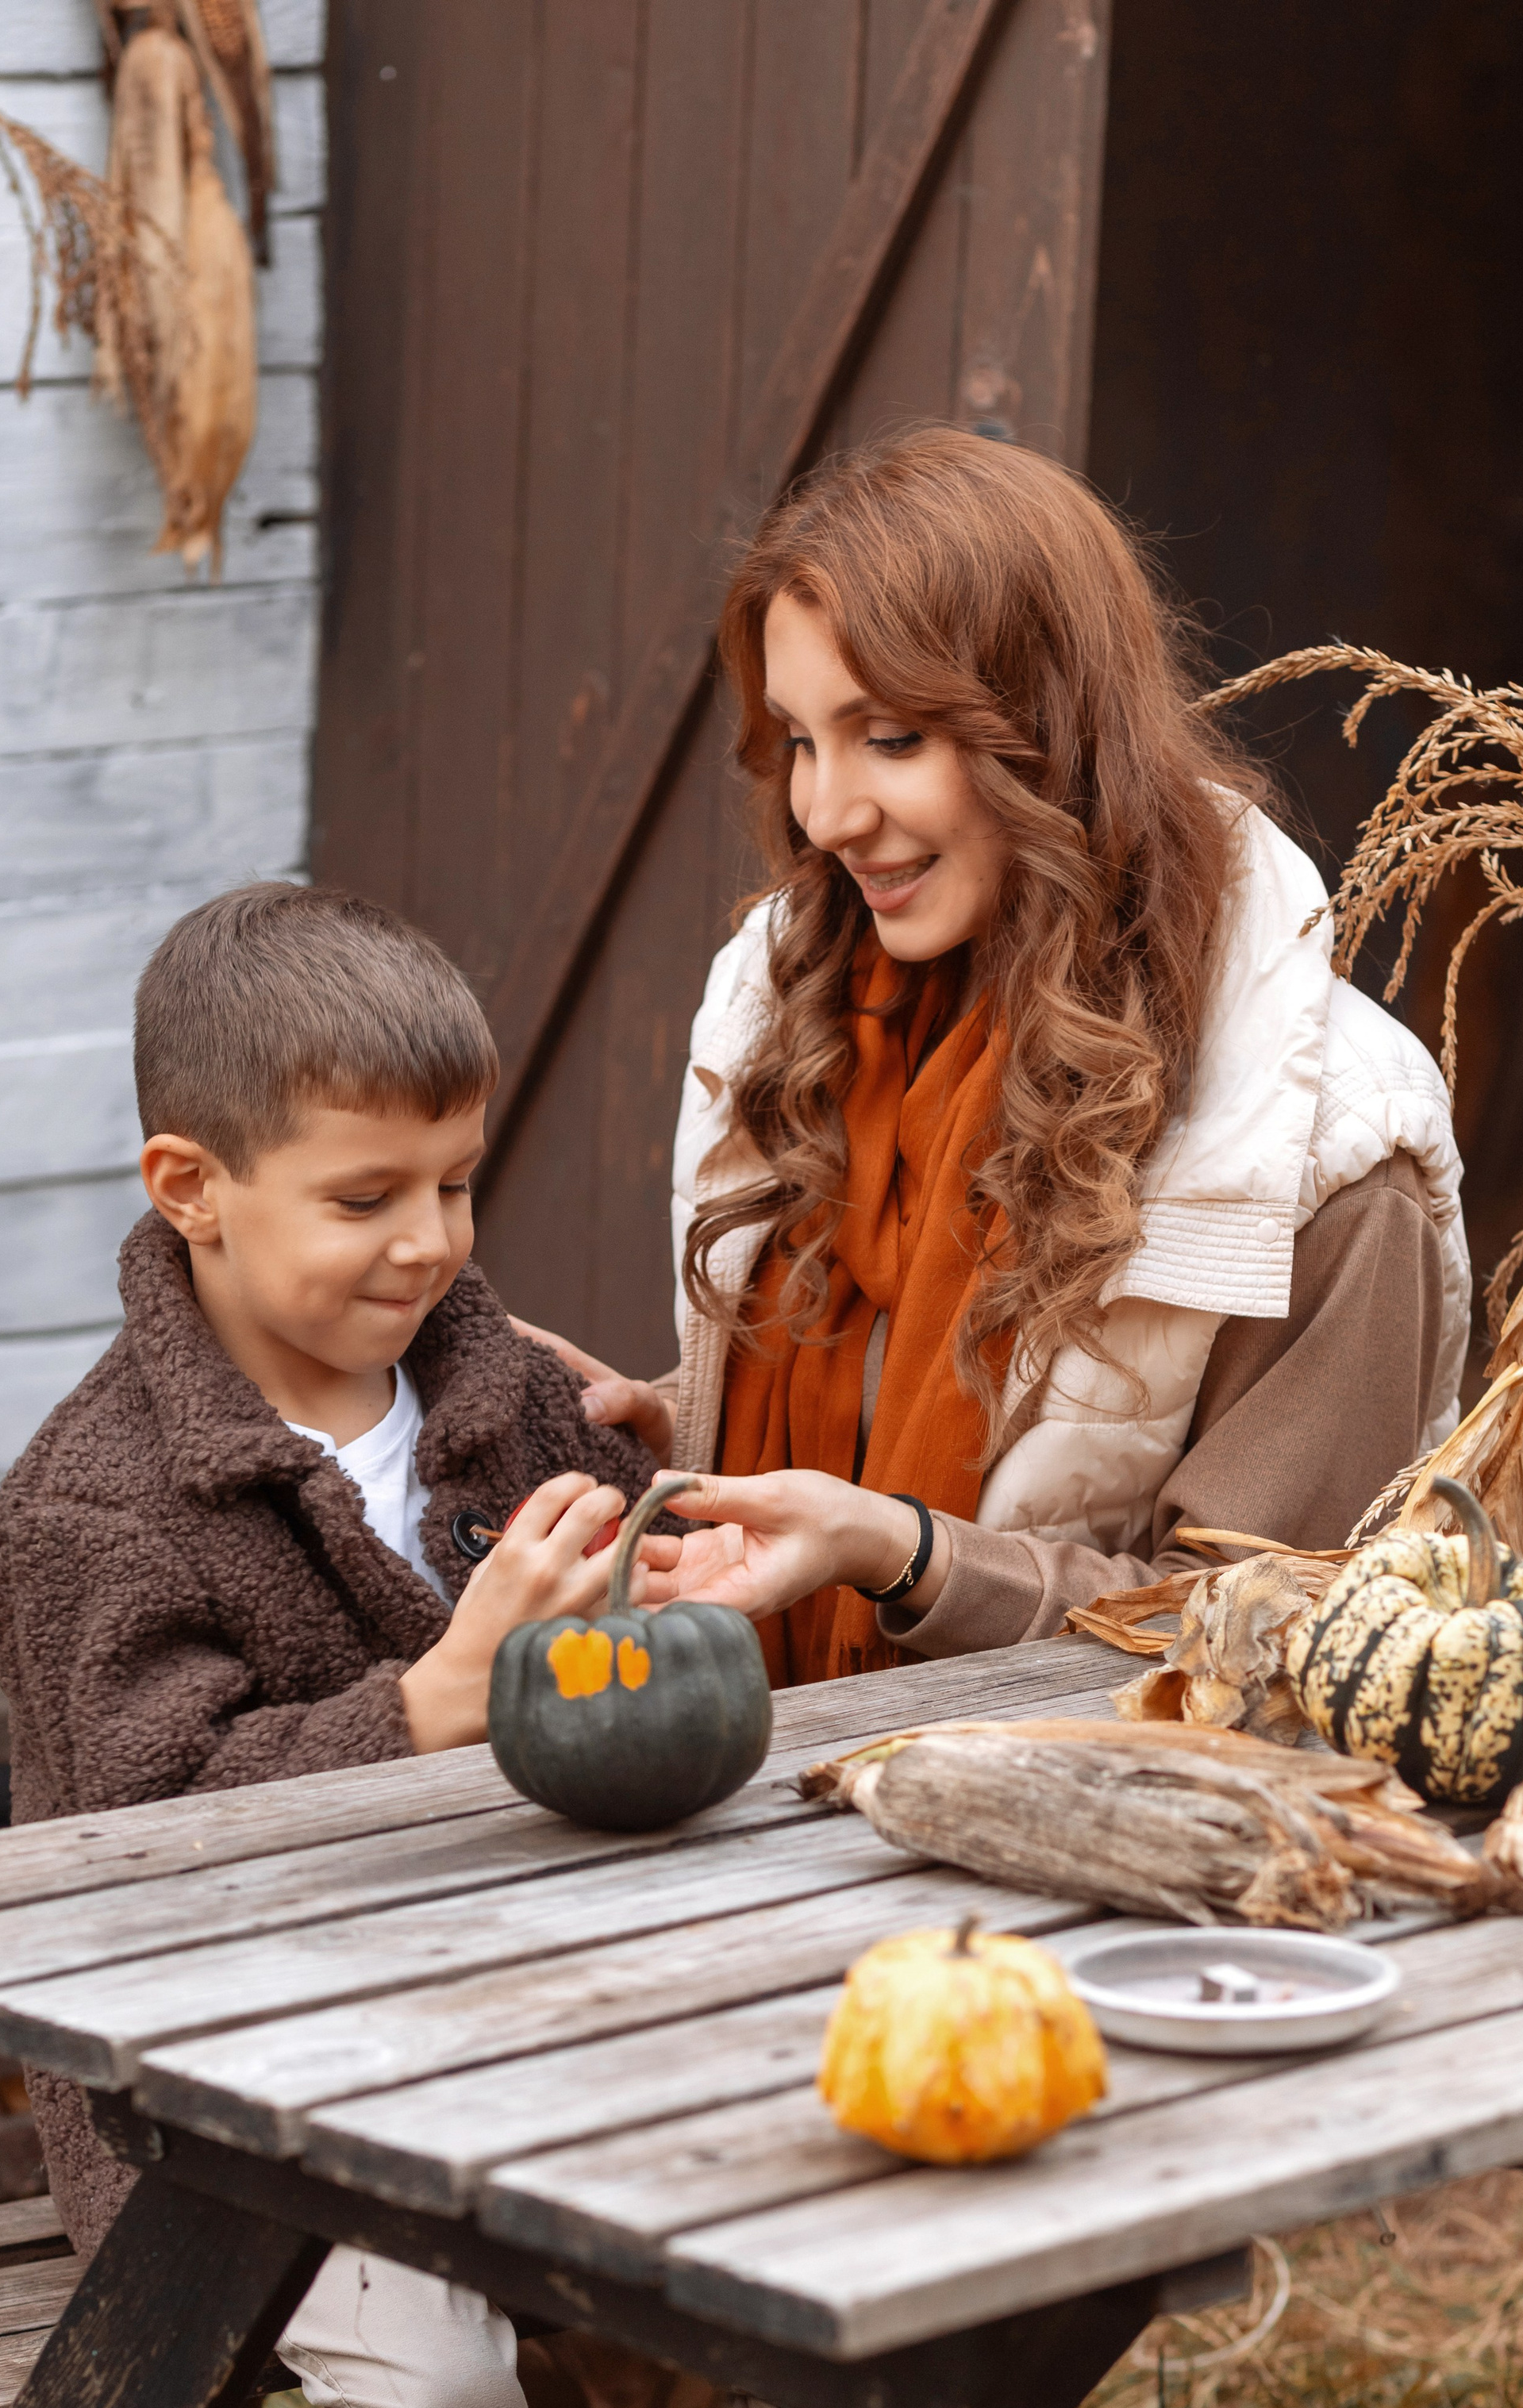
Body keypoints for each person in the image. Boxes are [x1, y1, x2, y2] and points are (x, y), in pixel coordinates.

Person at [0, 883, 795, 2408]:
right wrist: (433, 1700)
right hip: (224, 2082)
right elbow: (142, 1847)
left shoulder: (511, 1401)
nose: (429, 1240)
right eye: (366, 1198)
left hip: (539, 2017)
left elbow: (626, 1668)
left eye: (455, 1182)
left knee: (845, 2355)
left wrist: (663, 1607)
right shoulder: (94, 1509)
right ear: (191, 1190)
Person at [539, 426, 1471, 1683]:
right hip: (760, 1767)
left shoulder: (1331, 1146)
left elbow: (1273, 1648)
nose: (826, 814)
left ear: (1058, 730)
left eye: (891, 738)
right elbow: (915, 1413)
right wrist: (679, 1427)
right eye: (801, 740)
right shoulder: (799, 1007)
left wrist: (908, 1558)